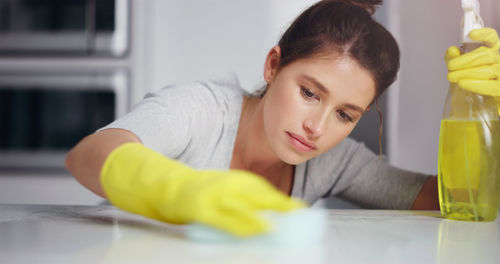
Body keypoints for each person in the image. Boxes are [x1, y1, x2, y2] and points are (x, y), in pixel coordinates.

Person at [66, 0, 500, 237]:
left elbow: (452, 201)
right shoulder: (201, 110)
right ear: (273, 65)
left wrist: (485, 111)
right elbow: (88, 155)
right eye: (310, 93)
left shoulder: (333, 162)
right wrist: (180, 189)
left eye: (345, 114)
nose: (318, 127)